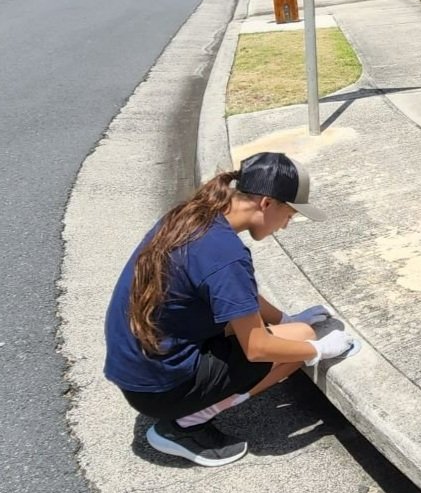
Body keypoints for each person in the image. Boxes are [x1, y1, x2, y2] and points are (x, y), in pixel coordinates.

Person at [104, 152, 354, 467]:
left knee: (291, 329)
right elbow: (257, 348)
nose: (286, 226)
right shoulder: (226, 254)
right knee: (298, 340)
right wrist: (316, 349)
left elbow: (240, 296)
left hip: (139, 368)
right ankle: (185, 424)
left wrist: (284, 319)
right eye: (289, 215)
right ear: (266, 203)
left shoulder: (193, 216)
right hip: (160, 388)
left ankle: (188, 408)